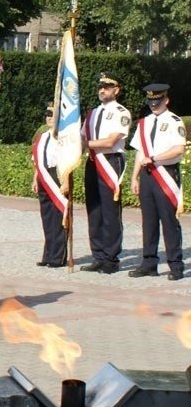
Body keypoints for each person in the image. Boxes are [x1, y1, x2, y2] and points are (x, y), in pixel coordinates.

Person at [129, 83, 185, 281]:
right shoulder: (144, 123)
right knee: (149, 221)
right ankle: (149, 262)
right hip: (147, 175)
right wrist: (135, 176)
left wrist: (155, 158)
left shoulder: (174, 121)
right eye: (151, 101)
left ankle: (176, 264)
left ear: (166, 100)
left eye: (157, 101)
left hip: (166, 173)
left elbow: (179, 149)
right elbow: (139, 152)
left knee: (169, 221)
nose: (154, 105)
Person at [81, 72, 130, 274]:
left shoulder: (121, 112)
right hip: (93, 162)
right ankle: (98, 255)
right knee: (94, 210)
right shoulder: (92, 113)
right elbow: (81, 136)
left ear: (116, 90)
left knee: (110, 211)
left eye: (107, 87)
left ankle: (111, 258)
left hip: (110, 162)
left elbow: (110, 141)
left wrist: (86, 144)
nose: (102, 90)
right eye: (100, 86)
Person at [32, 102, 67, 268]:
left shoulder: (64, 137)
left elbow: (68, 160)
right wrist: (35, 178)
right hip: (43, 176)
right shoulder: (42, 136)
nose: (49, 117)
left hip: (58, 174)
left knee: (58, 217)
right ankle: (48, 254)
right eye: (47, 114)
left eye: (53, 114)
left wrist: (66, 181)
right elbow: (37, 161)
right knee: (46, 217)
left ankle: (58, 257)